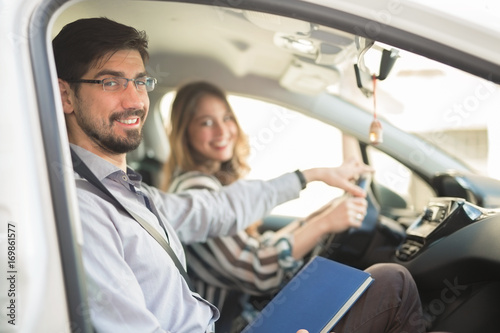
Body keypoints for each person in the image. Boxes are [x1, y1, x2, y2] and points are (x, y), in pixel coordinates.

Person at [53, 17, 426, 333]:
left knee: (390, 279)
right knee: (393, 284)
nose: (134, 100)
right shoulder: (83, 210)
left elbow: (216, 208)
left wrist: (311, 176)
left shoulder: (129, 192)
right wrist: (323, 220)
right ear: (66, 96)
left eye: (140, 81)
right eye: (111, 82)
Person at [163, 81, 374, 332]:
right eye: (206, 122)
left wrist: (319, 216)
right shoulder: (194, 190)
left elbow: (257, 248)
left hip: (247, 316)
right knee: (388, 280)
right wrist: (324, 224)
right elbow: (258, 270)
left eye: (227, 118)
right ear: (185, 133)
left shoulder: (209, 183)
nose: (222, 130)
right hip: (234, 325)